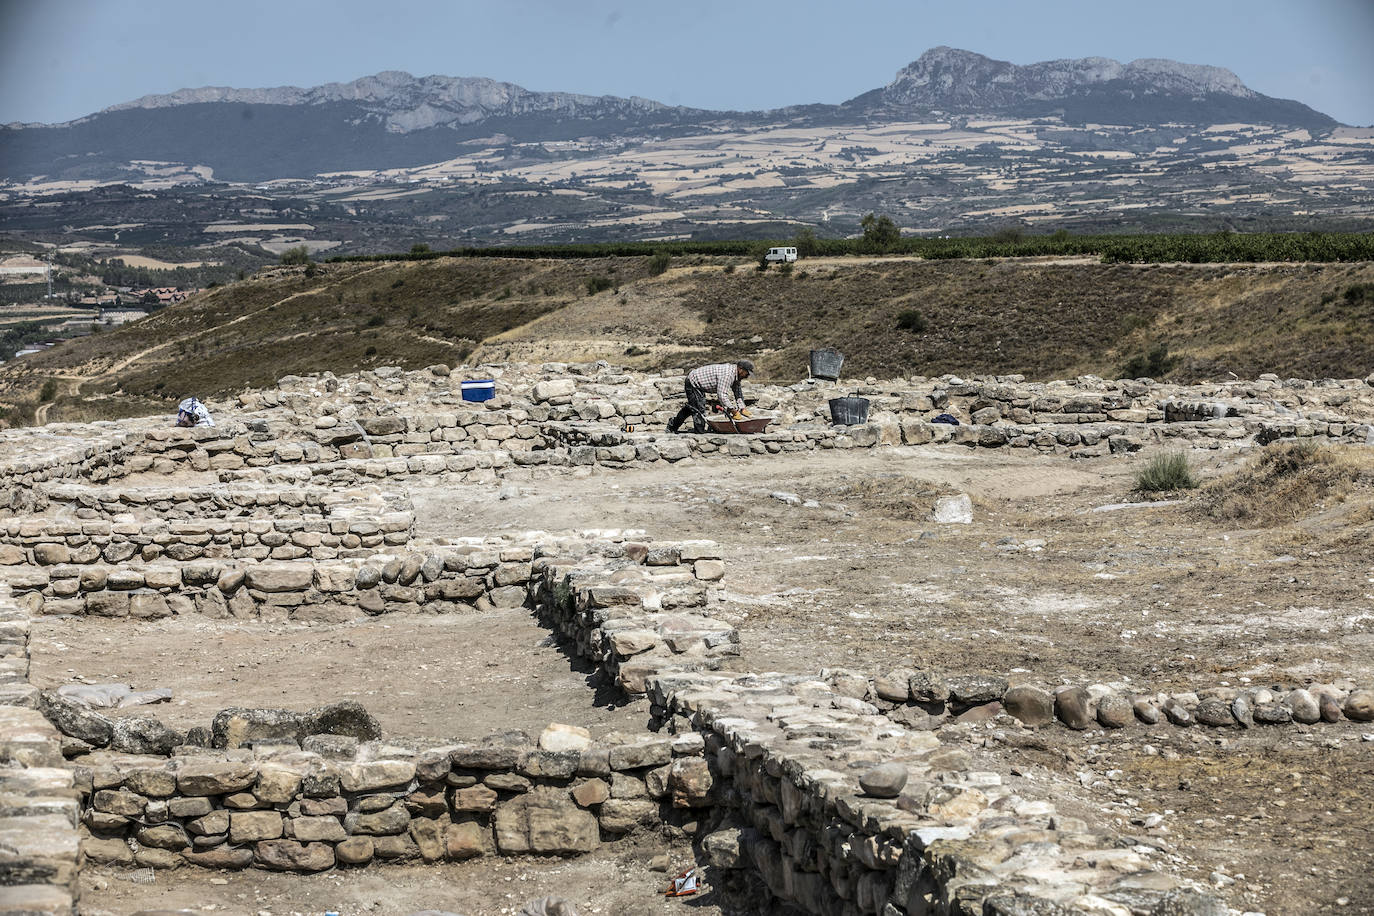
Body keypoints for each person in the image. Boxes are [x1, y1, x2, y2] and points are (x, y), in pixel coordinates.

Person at [668, 360, 754, 434]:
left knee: (692, 407)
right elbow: (722, 395)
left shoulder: (736, 376)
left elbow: (738, 392)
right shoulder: (727, 374)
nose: (747, 376)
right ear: (740, 369)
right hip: (693, 382)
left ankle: (672, 425)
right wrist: (733, 410)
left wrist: (742, 408)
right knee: (699, 409)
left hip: (700, 383)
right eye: (747, 373)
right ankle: (699, 434)